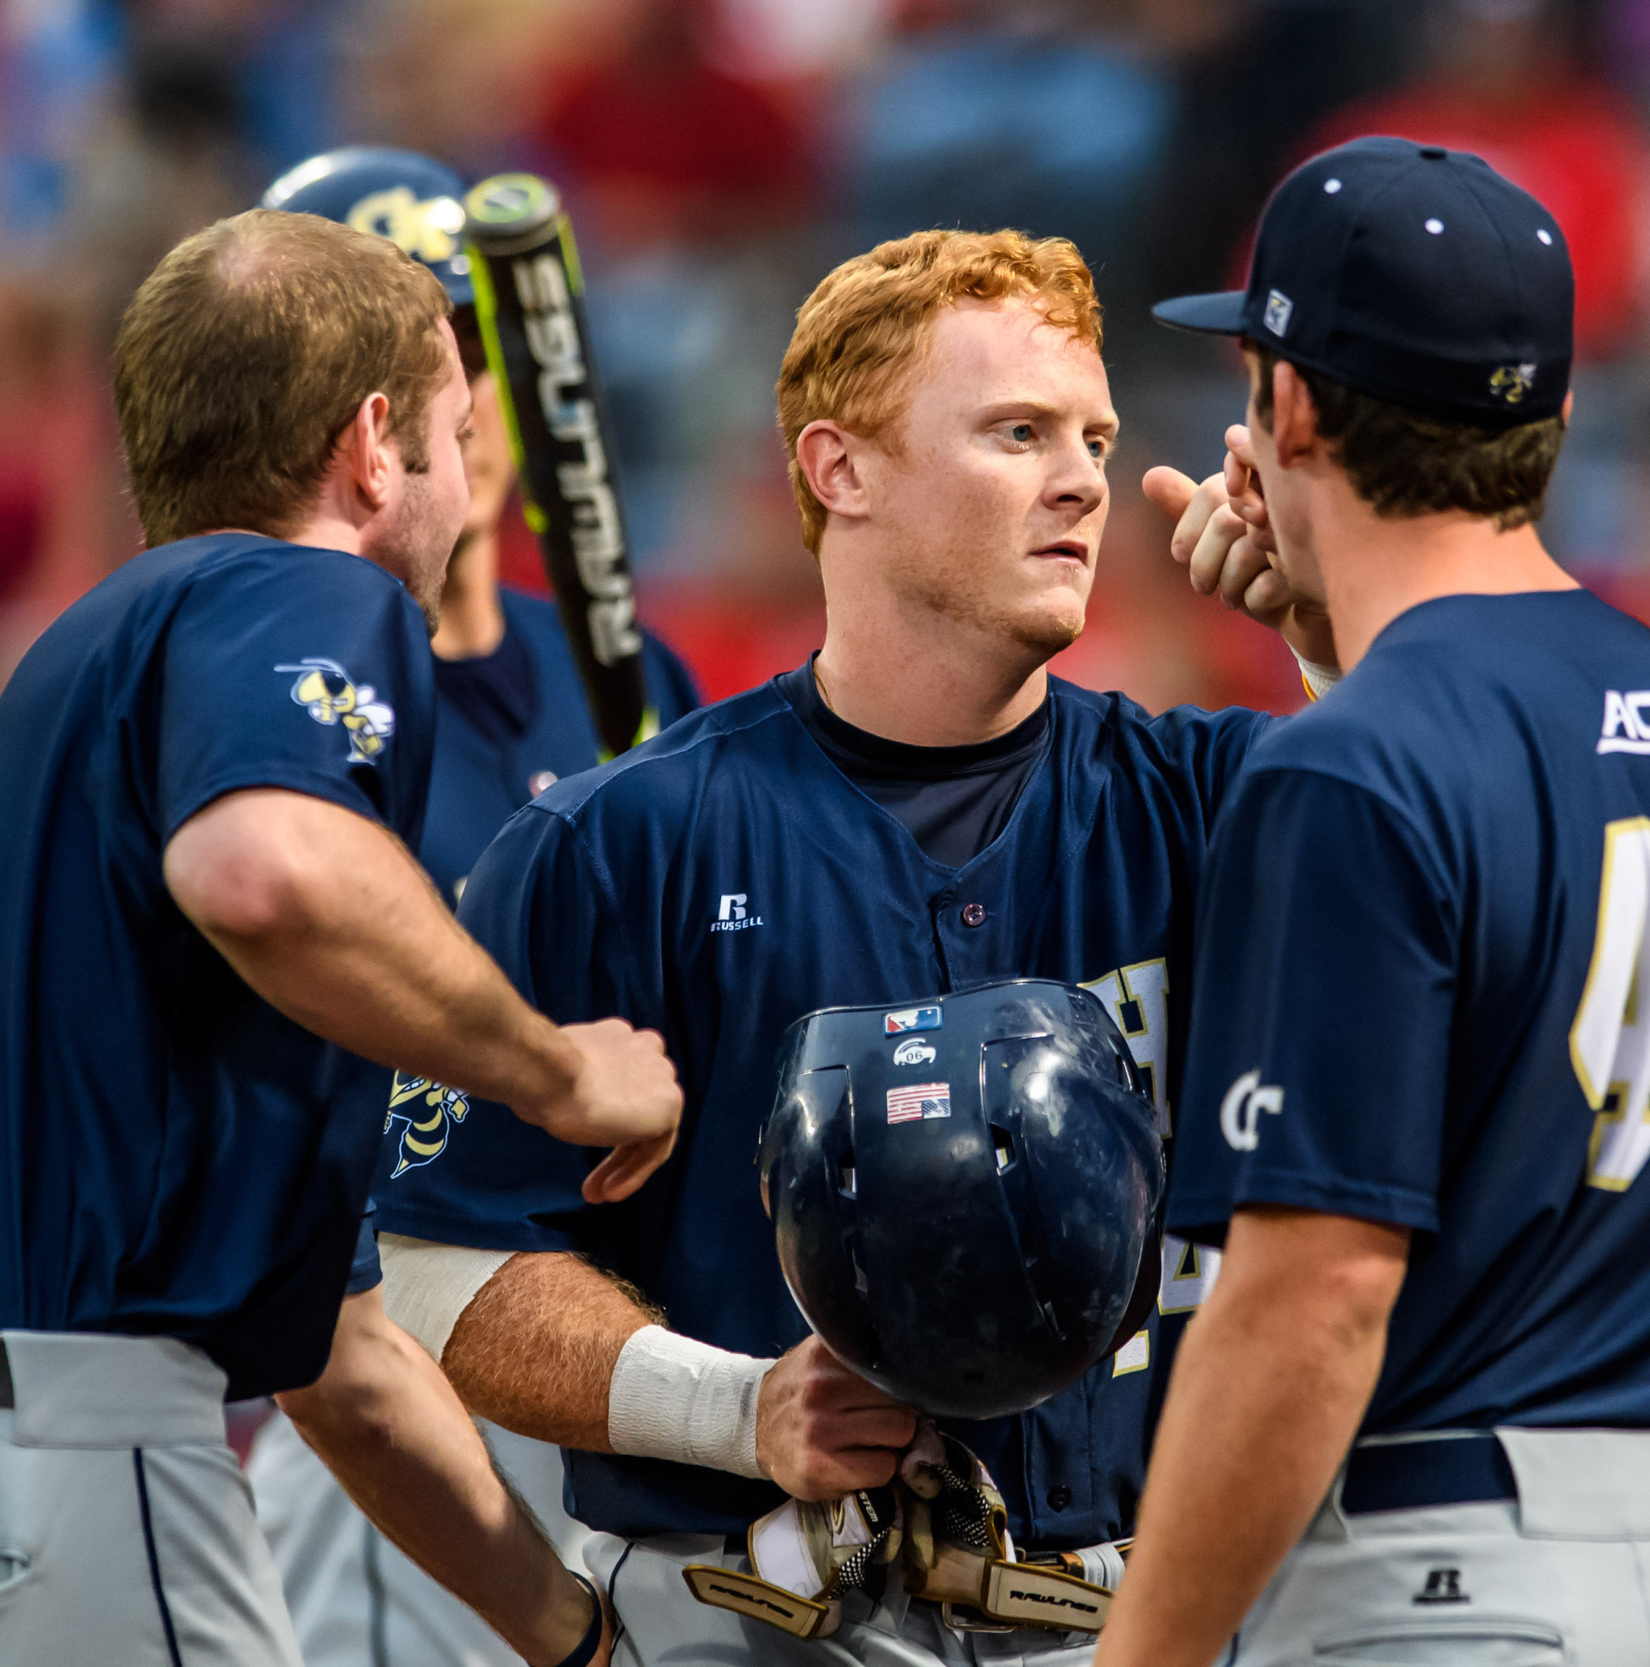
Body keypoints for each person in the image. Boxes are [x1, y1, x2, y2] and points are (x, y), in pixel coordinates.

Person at [0, 207, 685, 1667]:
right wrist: (559, 1071)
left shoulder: (77, 680)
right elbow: (265, 871)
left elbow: (338, 1364)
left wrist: (575, 1641)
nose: (473, 485)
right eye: (457, 433)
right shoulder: (292, 591)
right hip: (32, 1477)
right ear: (371, 443)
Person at [365, 228, 1332, 1667]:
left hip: (1136, 1611)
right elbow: (439, 1267)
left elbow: (1496, 909)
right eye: (1018, 433)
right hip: (748, 1608)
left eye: (1096, 438)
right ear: (842, 472)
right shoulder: (618, 843)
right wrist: (737, 1406)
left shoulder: (1216, 797)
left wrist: (1327, 640)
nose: (1084, 479)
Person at [1097, 138, 1650, 1667]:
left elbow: (1314, 1308)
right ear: (1551, 419)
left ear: (1287, 406)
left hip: (1454, 1586)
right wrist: (1335, 647)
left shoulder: (1353, 770)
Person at [240, 146, 703, 1667]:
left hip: (636, 1374)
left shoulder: (639, 690)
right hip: (411, 1386)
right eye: (407, 359)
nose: (459, 392)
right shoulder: (290, 715)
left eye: (476, 345)